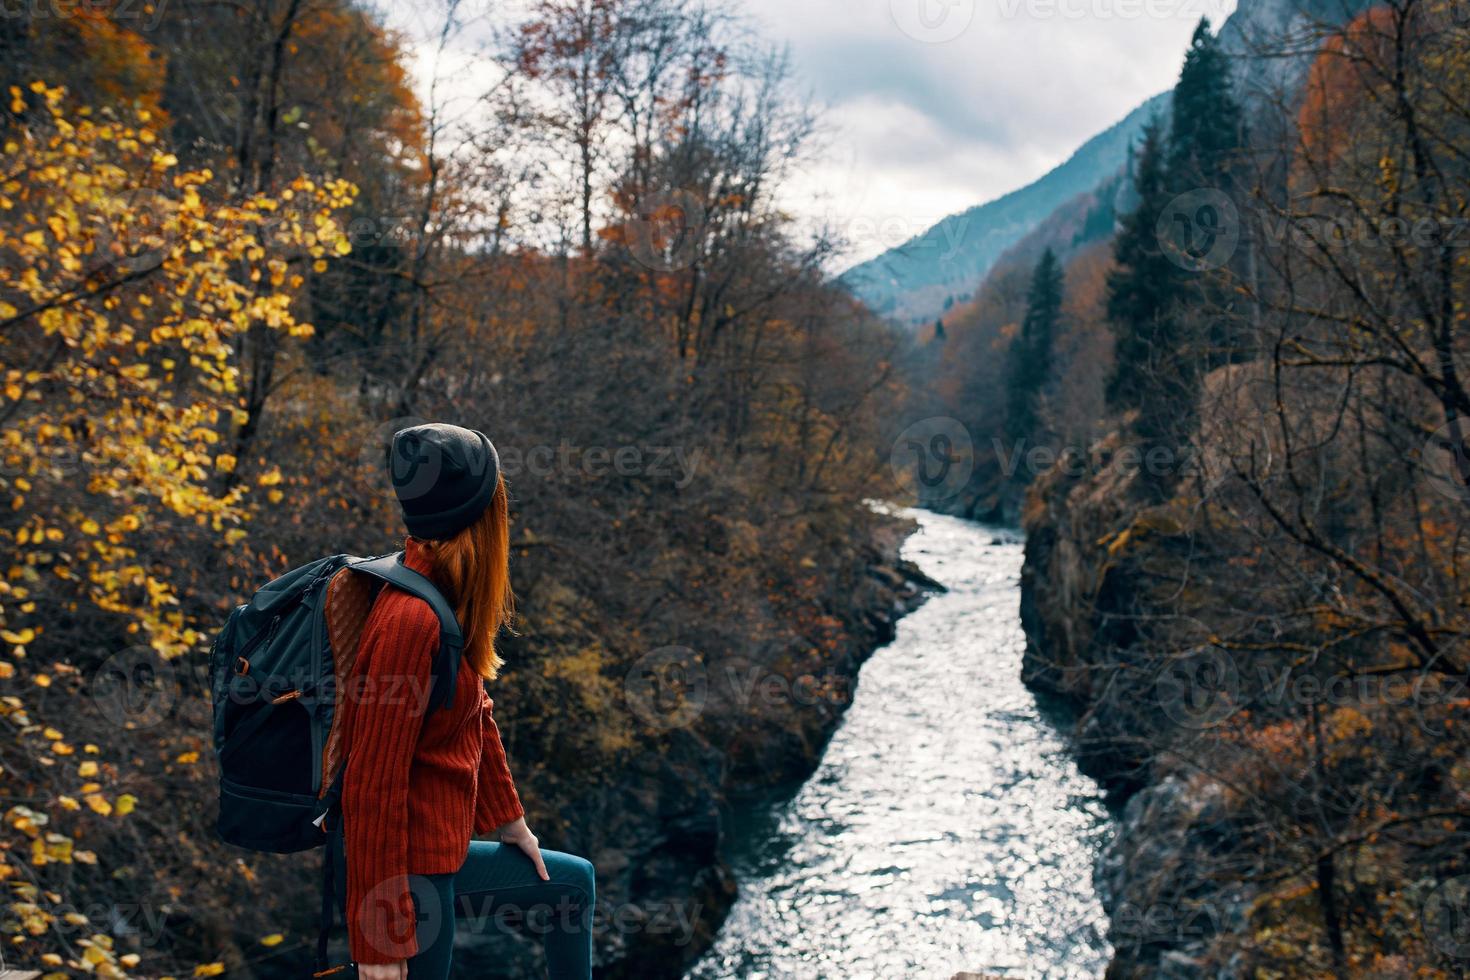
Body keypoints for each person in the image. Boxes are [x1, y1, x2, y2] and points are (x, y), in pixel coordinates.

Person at [336, 423, 595, 980]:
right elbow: (371, 786)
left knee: (572, 885)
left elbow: (474, 717)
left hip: (440, 856)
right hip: (409, 881)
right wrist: (380, 937)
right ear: (481, 516)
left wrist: (510, 822)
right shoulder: (412, 620)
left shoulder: (439, 595)